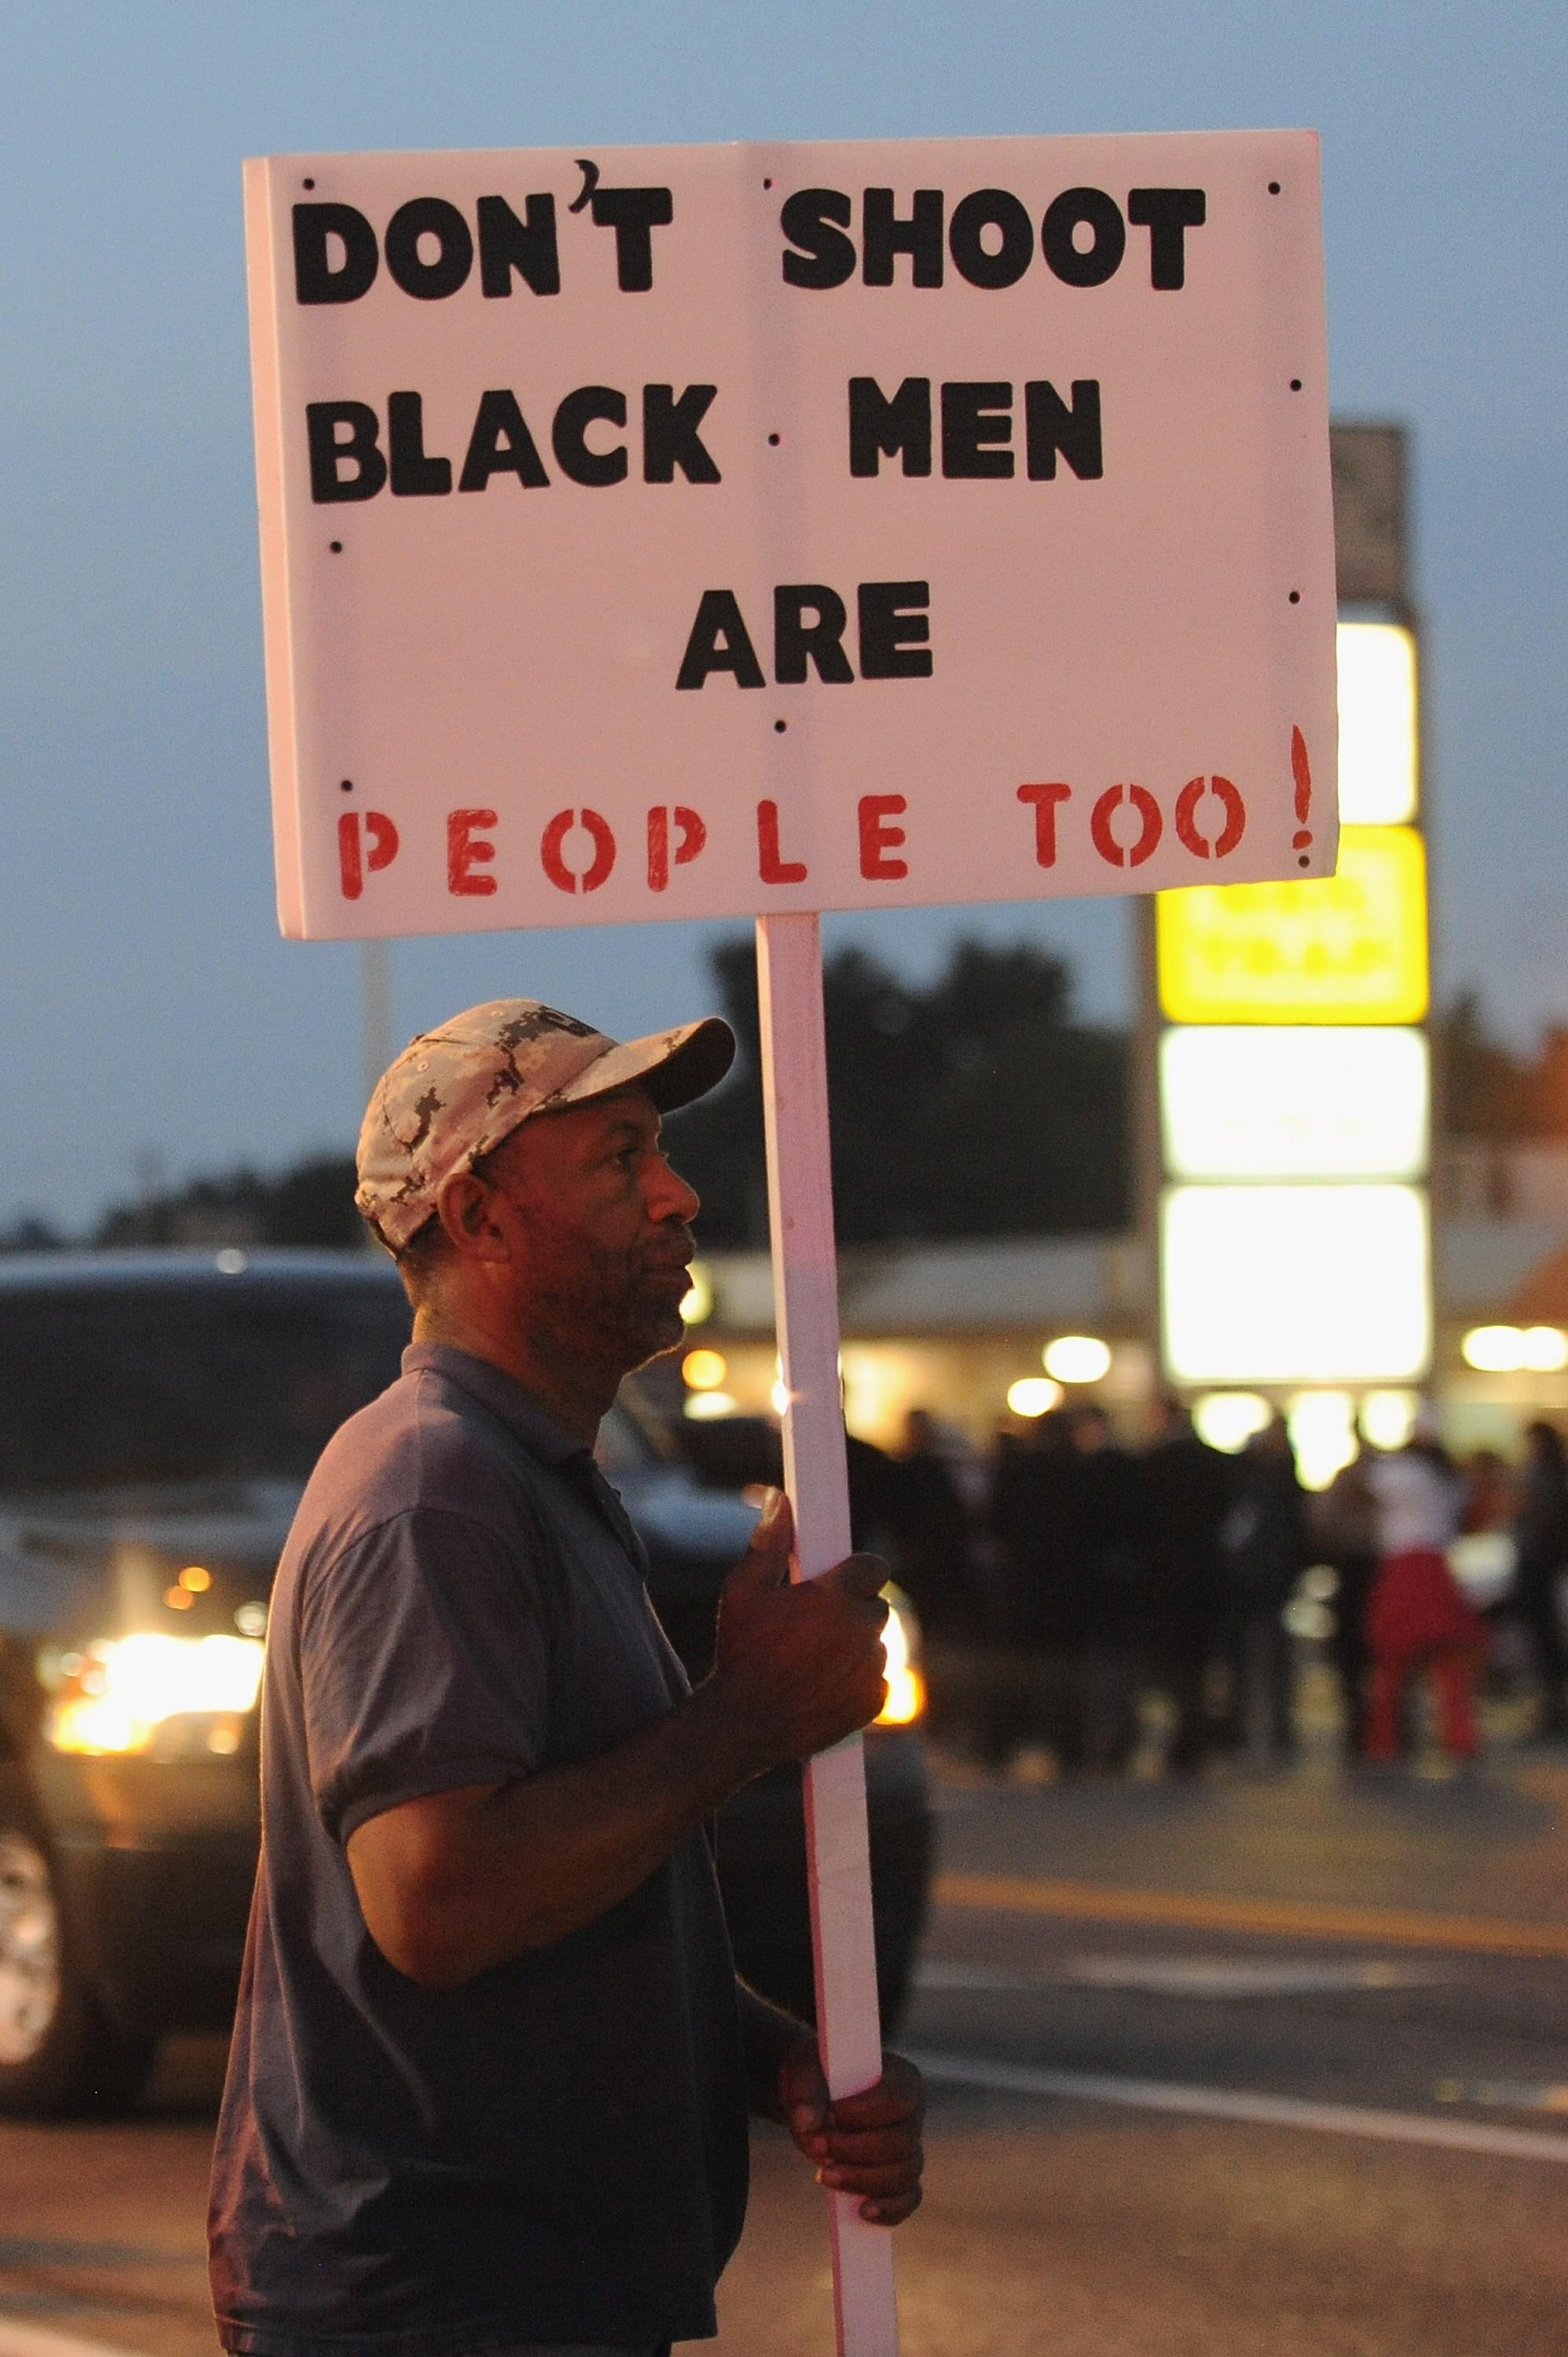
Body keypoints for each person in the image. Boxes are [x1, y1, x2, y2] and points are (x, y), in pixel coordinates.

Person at [208, 999, 923, 2357]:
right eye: (618, 1160)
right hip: (434, 2305)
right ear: (478, 1219)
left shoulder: (535, 1480)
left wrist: (788, 2068)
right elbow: (442, 1901)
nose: (677, 1193)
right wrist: (754, 1713)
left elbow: (582, 1894)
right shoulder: (436, 1494)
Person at [1364, 1426, 1485, 1765]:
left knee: (1391, 1662)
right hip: (1435, 1566)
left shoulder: (1395, 1472)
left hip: (1403, 1566)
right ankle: (1460, 1735)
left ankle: (1383, 1739)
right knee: (1448, 1661)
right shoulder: (1448, 1478)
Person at [1140, 1395, 1234, 1774]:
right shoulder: (1214, 1464)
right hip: (1207, 1578)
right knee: (1201, 1664)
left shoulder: (1154, 1466)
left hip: (1165, 1581)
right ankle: (1197, 1739)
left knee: (1173, 1665)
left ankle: (1179, 1739)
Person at [1214, 1415, 1310, 1764]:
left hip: (1253, 1582)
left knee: (1248, 1658)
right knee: (1270, 1658)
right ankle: (1275, 1729)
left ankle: (1246, 1728)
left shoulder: (1254, 1482)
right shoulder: (1281, 1481)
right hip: (1268, 1581)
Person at [1511, 1420, 1568, 1740]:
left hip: (1537, 1565)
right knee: (1549, 1641)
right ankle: (1553, 1706)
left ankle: (1550, 1709)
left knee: (1542, 1641)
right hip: (1550, 1565)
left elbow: (1520, 1512)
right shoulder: (1557, 1477)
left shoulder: (1536, 1478)